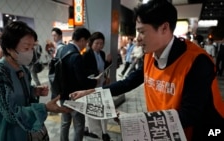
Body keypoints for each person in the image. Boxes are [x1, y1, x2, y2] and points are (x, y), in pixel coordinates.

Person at [70, 1, 224, 141]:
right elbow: (128, 82)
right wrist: (91, 92)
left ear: (164, 28)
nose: (137, 39)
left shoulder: (197, 62)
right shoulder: (150, 55)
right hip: (162, 130)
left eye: (142, 32)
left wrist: (138, 122)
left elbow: (190, 115)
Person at [0, 21, 71, 141]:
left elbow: (19, 95)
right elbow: (11, 114)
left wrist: (33, 91)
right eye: (26, 47)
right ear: (9, 47)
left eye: (32, 47)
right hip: (4, 134)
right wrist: (45, 108)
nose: (30, 52)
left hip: (23, 132)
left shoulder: (22, 69)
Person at [58, 27, 98, 141]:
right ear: (81, 40)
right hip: (75, 96)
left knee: (65, 122)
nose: (86, 45)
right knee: (79, 124)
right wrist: (95, 81)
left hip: (62, 94)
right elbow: (82, 81)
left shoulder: (62, 50)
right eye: (86, 42)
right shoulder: (76, 56)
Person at [82, 32, 112, 141]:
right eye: (97, 43)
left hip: (102, 86)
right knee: (91, 109)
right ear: (91, 43)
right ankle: (91, 129)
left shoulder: (102, 54)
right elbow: (84, 71)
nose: (99, 45)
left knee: (103, 108)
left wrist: (108, 64)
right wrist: (96, 74)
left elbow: (103, 68)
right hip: (91, 87)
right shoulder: (86, 55)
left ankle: (104, 132)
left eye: (101, 43)